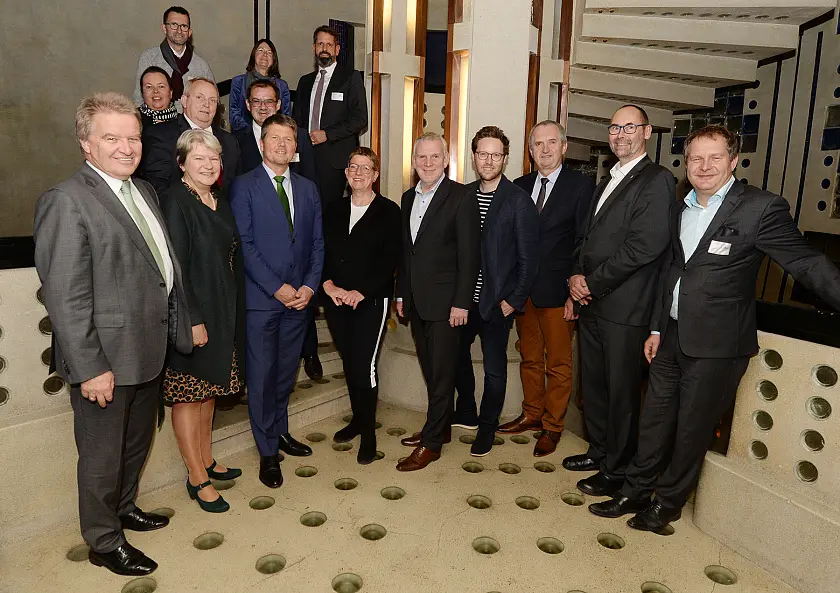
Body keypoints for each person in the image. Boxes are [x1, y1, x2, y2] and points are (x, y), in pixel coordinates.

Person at [589, 125, 840, 532]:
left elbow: (806, 263)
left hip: (718, 345)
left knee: (691, 429)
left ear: (733, 161)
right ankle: (634, 490)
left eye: (715, 157)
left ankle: (666, 506)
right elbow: (670, 271)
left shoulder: (760, 208)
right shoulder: (679, 207)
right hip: (670, 337)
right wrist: (655, 328)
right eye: (695, 159)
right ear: (685, 164)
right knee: (652, 421)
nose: (704, 166)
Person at [33, 92, 192, 576]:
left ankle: (124, 510)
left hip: (147, 351)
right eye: (111, 138)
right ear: (86, 143)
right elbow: (66, 295)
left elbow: (160, 267)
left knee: (135, 444)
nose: (127, 148)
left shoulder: (142, 191)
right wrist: (90, 367)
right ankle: (103, 540)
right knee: (102, 457)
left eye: (134, 138)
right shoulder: (66, 200)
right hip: (104, 361)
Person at [563, 105, 673, 498]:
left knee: (622, 394)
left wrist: (591, 282)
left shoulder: (657, 180)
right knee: (595, 386)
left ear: (646, 133)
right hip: (593, 304)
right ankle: (600, 451)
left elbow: (644, 246)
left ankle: (618, 469)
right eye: (614, 127)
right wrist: (575, 276)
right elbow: (586, 238)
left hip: (625, 310)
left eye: (629, 127)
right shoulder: (606, 178)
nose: (620, 134)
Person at [229, 114, 324, 488]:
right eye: (276, 139)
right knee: (263, 375)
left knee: (286, 374)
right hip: (263, 301)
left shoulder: (308, 188)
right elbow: (245, 246)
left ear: (296, 146)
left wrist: (309, 287)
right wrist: (277, 288)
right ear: (262, 143)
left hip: (300, 301)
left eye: (289, 139)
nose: (283, 145)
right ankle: (267, 451)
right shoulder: (243, 186)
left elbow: (317, 244)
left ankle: (280, 430)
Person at [496, 121, 595, 458]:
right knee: (529, 357)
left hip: (559, 292)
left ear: (564, 147)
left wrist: (574, 293)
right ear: (530, 150)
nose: (545, 149)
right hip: (524, 292)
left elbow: (585, 241)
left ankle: (553, 426)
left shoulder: (581, 186)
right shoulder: (519, 186)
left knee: (559, 364)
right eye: (538, 144)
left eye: (552, 142)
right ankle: (531, 413)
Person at [159, 130, 245, 513]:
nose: (208, 165)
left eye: (214, 159)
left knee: (209, 392)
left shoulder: (218, 200)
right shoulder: (176, 201)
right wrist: (192, 320)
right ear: (182, 164)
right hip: (192, 317)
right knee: (188, 397)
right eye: (199, 159)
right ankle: (196, 477)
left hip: (221, 311)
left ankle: (207, 458)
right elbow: (175, 269)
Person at [395, 132, 480, 471]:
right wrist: (401, 292)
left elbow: (470, 256)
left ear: (446, 160)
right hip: (416, 301)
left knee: (443, 374)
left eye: (434, 157)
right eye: (421, 158)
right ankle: (440, 428)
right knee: (431, 371)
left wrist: (462, 303)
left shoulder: (461, 196)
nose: (427, 163)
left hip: (448, 305)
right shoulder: (406, 198)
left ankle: (431, 444)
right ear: (414, 162)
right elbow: (406, 252)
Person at [452, 126, 539, 457]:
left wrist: (513, 301)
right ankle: (468, 412)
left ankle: (487, 427)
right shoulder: (463, 195)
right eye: (482, 154)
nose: (488, 160)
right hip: (464, 302)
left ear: (506, 158)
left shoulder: (518, 201)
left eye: (496, 154)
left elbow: (529, 260)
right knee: (457, 358)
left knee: (494, 369)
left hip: (496, 304)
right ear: (474, 157)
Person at [322, 147, 401, 464]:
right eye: (353, 166)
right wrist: (327, 284)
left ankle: (369, 434)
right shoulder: (333, 209)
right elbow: (321, 251)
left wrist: (362, 292)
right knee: (349, 362)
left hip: (371, 302)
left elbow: (390, 261)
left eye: (365, 168)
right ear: (346, 172)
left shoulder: (389, 211)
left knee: (364, 367)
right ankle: (357, 420)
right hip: (336, 300)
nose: (358, 172)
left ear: (375, 175)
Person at [292, 25, 368, 211]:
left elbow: (360, 118)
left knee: (330, 211)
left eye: (329, 44)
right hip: (305, 157)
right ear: (314, 48)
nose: (324, 48)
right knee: (304, 208)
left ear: (337, 49)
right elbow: (296, 121)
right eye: (320, 44)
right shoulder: (305, 81)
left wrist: (328, 134)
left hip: (335, 158)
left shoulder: (350, 78)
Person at [139, 77, 240, 195]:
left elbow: (237, 187)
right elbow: (158, 187)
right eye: (199, 98)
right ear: (184, 101)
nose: (206, 104)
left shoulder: (230, 141)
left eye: (212, 100)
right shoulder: (161, 135)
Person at [133, 6, 214, 106]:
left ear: (189, 32)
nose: (179, 31)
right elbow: (138, 98)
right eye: (174, 25)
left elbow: (213, 100)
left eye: (184, 26)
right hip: (155, 119)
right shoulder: (149, 59)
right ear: (164, 28)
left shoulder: (201, 66)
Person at [235, 80, 315, 180]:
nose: (263, 107)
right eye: (256, 101)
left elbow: (311, 178)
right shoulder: (236, 140)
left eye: (269, 101)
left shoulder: (300, 136)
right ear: (248, 104)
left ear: (278, 104)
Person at [229, 39, 292, 132]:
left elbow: (286, 117)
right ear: (253, 55)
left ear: (274, 59)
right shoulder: (238, 82)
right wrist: (253, 132)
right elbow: (234, 114)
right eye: (260, 50)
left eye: (269, 52)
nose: (265, 55)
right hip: (243, 135)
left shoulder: (282, 86)